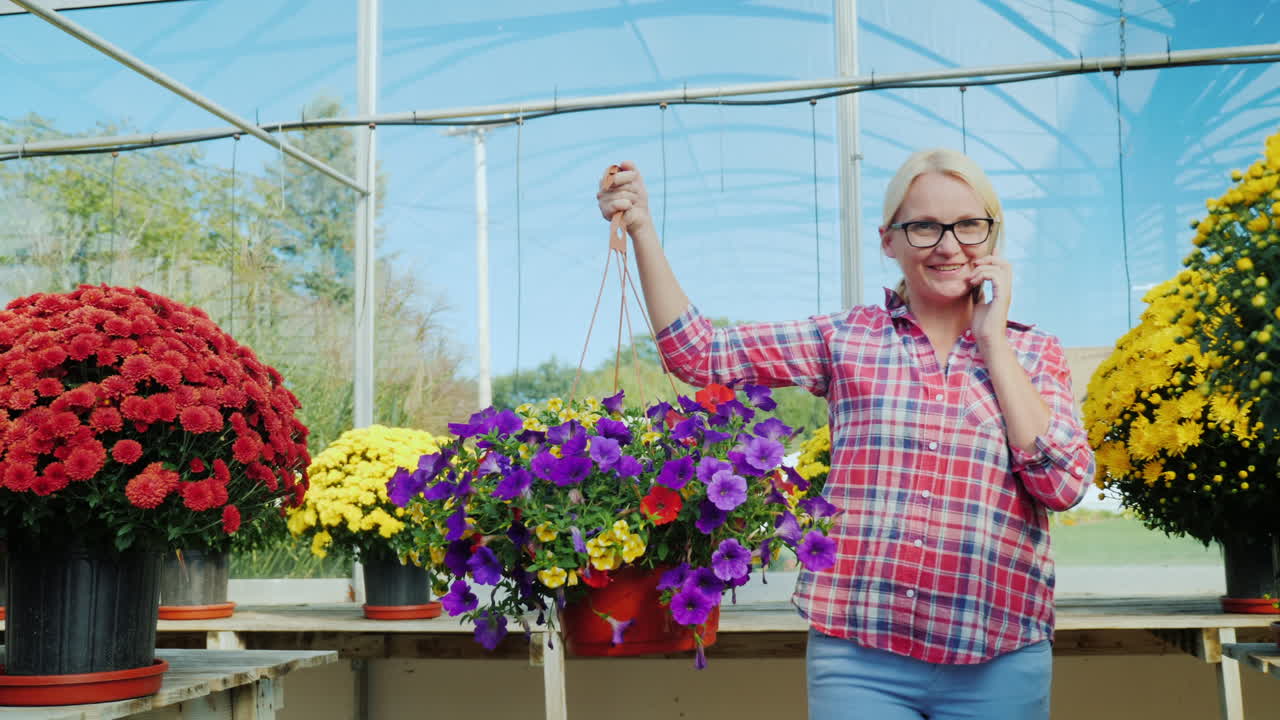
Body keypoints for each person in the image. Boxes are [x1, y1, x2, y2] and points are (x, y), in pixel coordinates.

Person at [595, 149, 1095, 720]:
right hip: (860, 658)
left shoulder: (1034, 353)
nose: (949, 245)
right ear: (890, 241)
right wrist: (641, 229)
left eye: (969, 225)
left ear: (992, 235)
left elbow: (1063, 484)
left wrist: (994, 342)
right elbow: (698, 354)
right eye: (924, 226)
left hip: (1000, 655)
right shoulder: (847, 339)